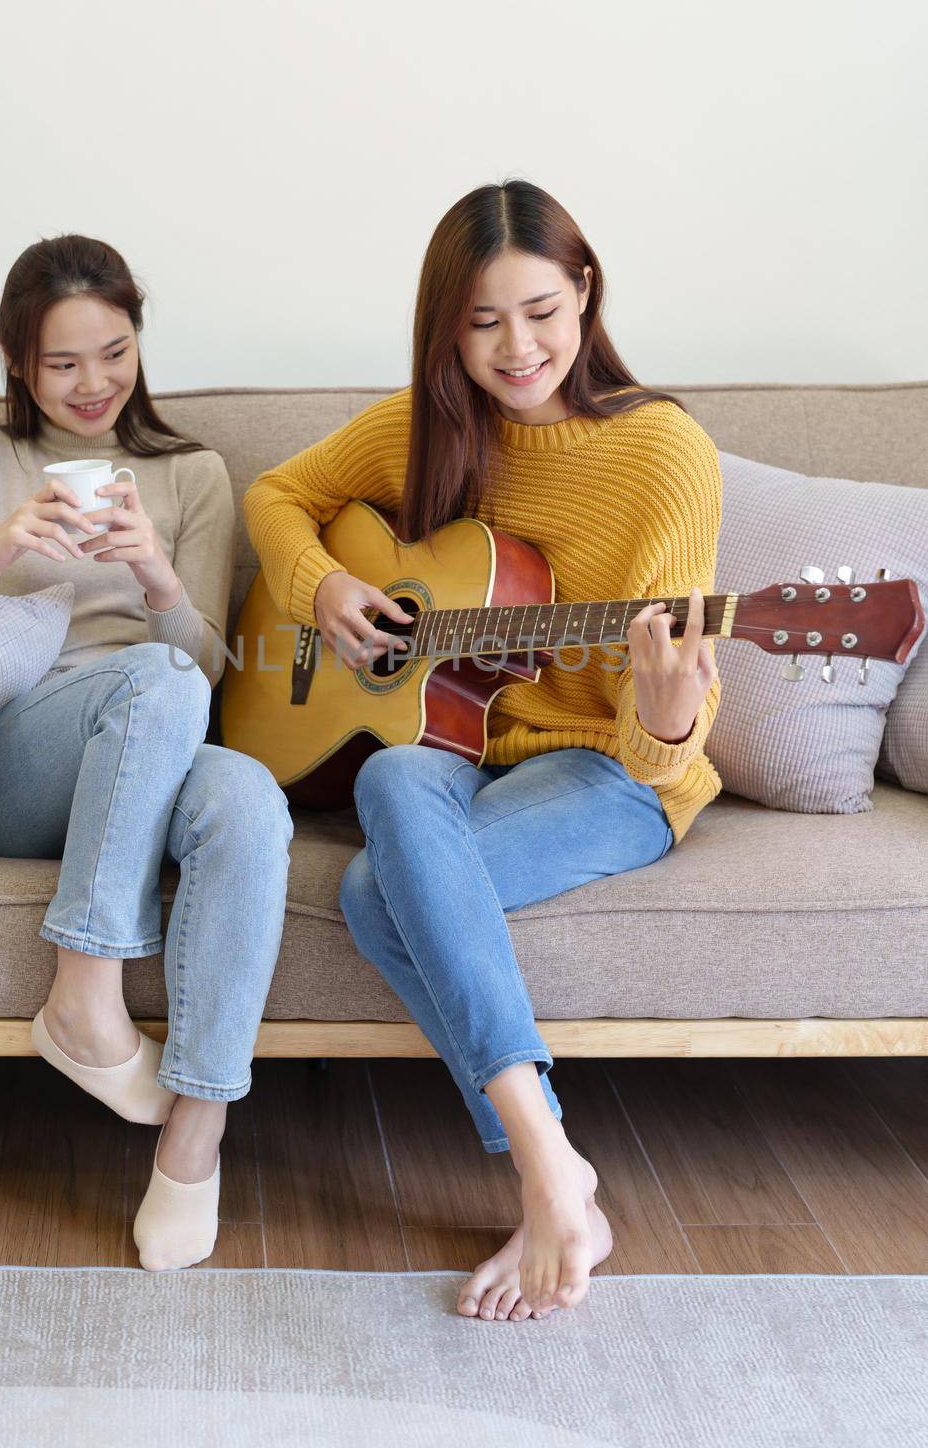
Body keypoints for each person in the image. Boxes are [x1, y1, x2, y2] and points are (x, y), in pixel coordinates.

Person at [243, 179, 722, 1323]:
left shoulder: (662, 453)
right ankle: (553, 1166)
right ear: (443, 328)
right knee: (395, 769)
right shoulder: (425, 428)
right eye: (482, 320)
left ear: (585, 294)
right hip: (457, 747)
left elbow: (665, 746)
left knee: (371, 892)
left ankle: (542, 1166)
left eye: (542, 311)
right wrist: (326, 589)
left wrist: (659, 716)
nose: (519, 348)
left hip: (609, 768)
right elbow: (276, 494)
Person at [0, 233, 293, 1272]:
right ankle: (83, 990)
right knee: (152, 682)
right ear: (16, 363)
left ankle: (192, 1139)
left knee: (248, 802)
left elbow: (205, 673)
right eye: (62, 362)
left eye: (115, 351)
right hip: (7, 764)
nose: (94, 384)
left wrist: (160, 580)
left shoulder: (191, 474)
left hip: (156, 734)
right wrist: (5, 549)